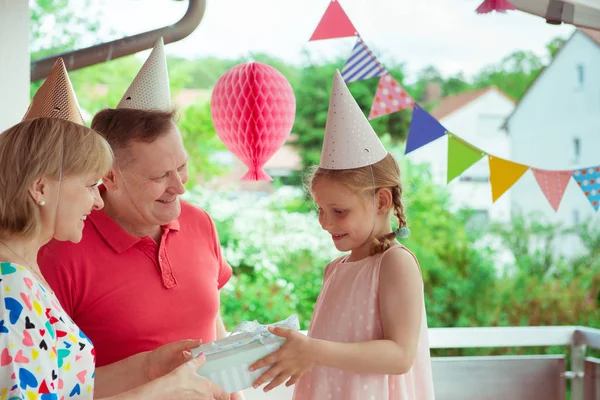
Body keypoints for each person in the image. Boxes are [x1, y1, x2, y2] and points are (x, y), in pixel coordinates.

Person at [37, 40, 240, 399]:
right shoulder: (59, 251)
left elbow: (211, 321)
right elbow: (49, 384)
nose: (179, 186)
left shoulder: (200, 223)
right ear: (110, 177)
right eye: (160, 176)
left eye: (182, 167)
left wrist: (227, 383)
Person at [0, 114, 227, 399]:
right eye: (89, 185)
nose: (98, 200)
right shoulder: (11, 289)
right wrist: (163, 391)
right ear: (41, 188)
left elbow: (66, 388)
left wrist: (147, 367)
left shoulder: (23, 276)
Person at [248, 70, 436, 400]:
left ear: (381, 201)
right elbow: (330, 348)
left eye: (339, 211)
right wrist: (293, 350)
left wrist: (314, 350)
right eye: (320, 210)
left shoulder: (394, 264)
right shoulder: (335, 270)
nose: (325, 222)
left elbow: (400, 356)